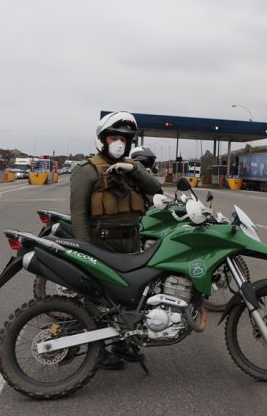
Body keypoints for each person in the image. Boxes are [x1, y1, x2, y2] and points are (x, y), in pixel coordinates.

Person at [70, 111, 162, 369]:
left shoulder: (133, 168)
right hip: (102, 244)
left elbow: (155, 189)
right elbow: (78, 216)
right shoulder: (86, 171)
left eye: (124, 138)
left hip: (131, 243)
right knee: (97, 300)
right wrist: (83, 251)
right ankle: (97, 351)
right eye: (114, 136)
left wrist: (133, 168)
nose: (119, 142)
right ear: (103, 139)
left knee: (131, 298)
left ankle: (122, 343)